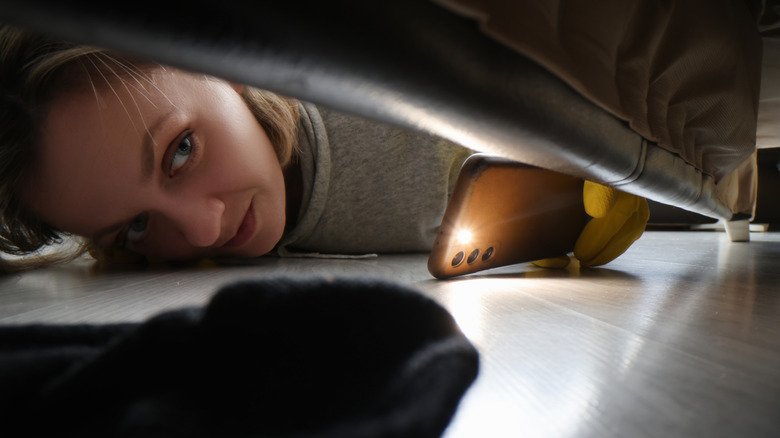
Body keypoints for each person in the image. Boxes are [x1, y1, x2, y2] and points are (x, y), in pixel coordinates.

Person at [0, 25, 647, 273]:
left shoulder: (386, 80)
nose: (204, 228)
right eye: (135, 225)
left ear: (214, 57)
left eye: (180, 151)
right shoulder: (158, 266)